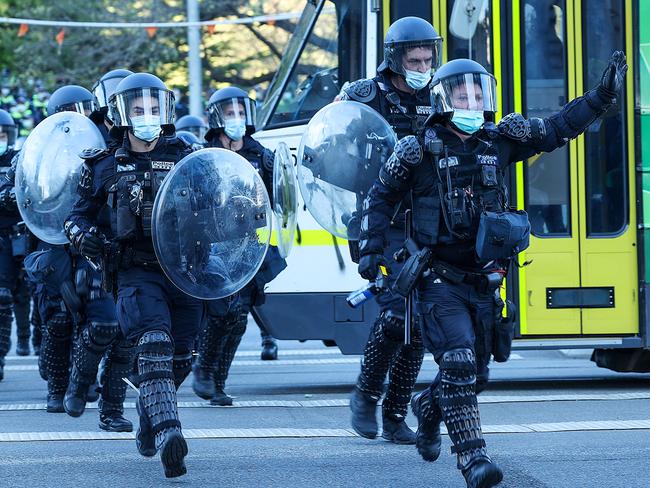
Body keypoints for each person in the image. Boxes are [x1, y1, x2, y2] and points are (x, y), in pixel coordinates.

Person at [357, 52, 627, 487]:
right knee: (459, 363)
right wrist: (371, 253)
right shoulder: (416, 149)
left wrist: (600, 98)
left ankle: (428, 409)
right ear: (445, 98)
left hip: (485, 281)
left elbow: (557, 128)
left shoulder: (498, 141)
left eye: (477, 92)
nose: (470, 100)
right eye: (461, 92)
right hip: (437, 279)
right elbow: (379, 197)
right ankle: (473, 460)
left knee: (475, 375)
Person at [65, 73, 202, 478]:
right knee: (154, 341)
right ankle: (168, 435)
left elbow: (216, 208)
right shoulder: (103, 164)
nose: (148, 116)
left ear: (167, 110)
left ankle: (148, 413)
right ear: (123, 115)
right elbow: (76, 217)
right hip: (133, 271)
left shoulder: (188, 155)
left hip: (184, 272)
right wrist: (85, 237)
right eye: (139, 110)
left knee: (182, 356)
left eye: (154, 108)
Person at [338, 16, 442, 445]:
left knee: (417, 326)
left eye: (428, 58)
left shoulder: (440, 95)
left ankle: (396, 412)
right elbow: (338, 158)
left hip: (425, 223)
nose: (423, 66)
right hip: (379, 220)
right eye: (414, 59)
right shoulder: (365, 98)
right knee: (399, 312)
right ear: (395, 60)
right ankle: (365, 394)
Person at [192, 87, 286, 406]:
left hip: (248, 248)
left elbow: (280, 198)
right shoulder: (203, 158)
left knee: (240, 317)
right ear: (218, 119)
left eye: (241, 113)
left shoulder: (261, 155)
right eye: (230, 114)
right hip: (214, 248)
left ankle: (218, 382)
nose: (237, 120)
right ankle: (203, 368)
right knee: (221, 311)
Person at [62, 69, 135, 433]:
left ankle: (112, 409)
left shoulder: (157, 143)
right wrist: (81, 234)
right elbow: (70, 200)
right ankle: (79, 381)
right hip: (98, 247)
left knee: (127, 333)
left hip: (140, 248)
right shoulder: (90, 141)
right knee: (105, 324)